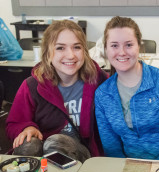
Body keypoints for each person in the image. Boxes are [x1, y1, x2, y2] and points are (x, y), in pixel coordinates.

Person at [6, 20, 108, 163]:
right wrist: (27, 128)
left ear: (84, 51)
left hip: (82, 152)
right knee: (28, 144)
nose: (71, 55)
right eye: (60, 48)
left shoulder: (98, 80)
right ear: (48, 53)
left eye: (77, 47)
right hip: (43, 151)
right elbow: (13, 124)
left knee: (57, 142)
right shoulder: (32, 85)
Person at [94, 16, 159, 160]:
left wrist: (151, 171)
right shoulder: (103, 94)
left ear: (139, 46)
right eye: (114, 45)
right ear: (106, 49)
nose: (121, 52)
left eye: (128, 45)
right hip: (128, 169)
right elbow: (112, 149)